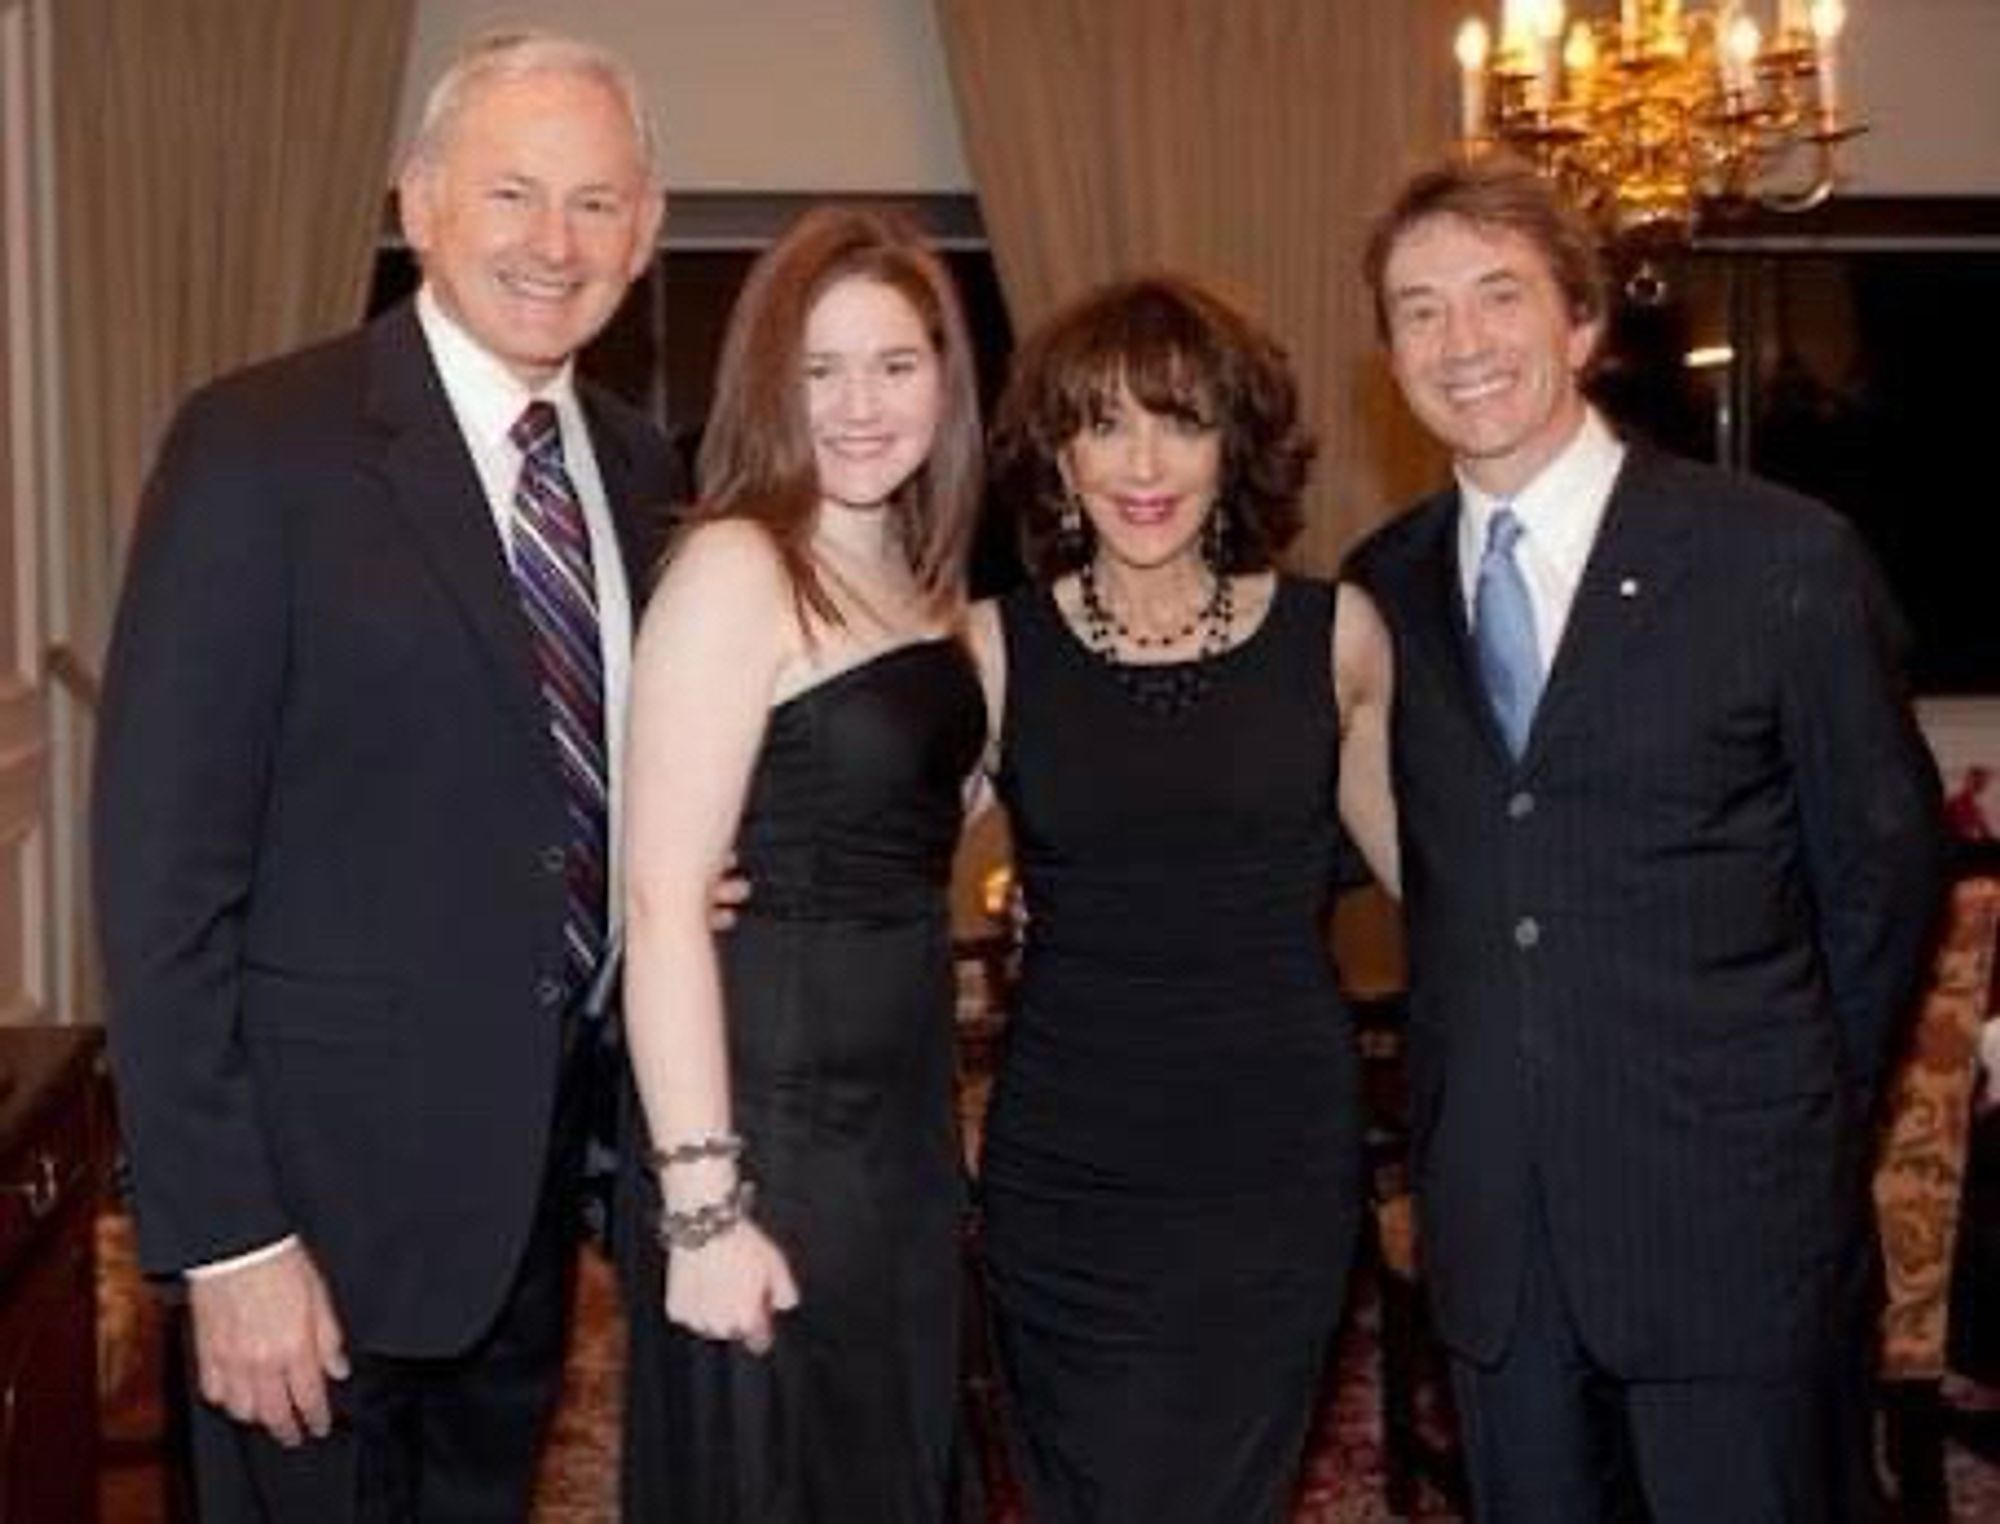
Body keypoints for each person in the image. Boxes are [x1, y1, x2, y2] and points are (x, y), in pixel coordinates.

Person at [91, 29, 676, 1521]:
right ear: (418, 203)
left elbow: (580, 784)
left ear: (647, 229)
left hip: (533, 1211)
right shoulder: (259, 447)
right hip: (310, 1239)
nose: (557, 244)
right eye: (514, 194)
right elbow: (161, 879)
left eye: (598, 203)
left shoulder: (636, 468)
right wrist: (226, 1241)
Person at [1346, 154, 1943, 1521]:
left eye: (1500, 295)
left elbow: (1884, 877)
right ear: (1388, 355)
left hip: (1731, 1214)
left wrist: (1782, 1107)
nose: (1462, 341)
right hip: (1499, 1227)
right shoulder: (1383, 590)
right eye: (1419, 309)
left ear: (1581, 320)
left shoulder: (1776, 559)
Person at [967, 273, 1398, 1521]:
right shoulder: (992, 649)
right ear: (1056, 455)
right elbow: (867, 861)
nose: (1141, 464)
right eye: (1102, 424)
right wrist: (715, 873)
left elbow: (1450, 882)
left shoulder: (1336, 638)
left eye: (1180, 420)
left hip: (1270, 1164)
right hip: (1066, 1172)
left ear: (1236, 445)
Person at [615, 205, 987, 1520]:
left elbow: (910, 811)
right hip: (770, 1118)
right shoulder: (734, 563)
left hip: (898, 1121)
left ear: (945, 378)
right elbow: (661, 906)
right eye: (818, 370)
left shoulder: (915, 571)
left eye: (894, 364)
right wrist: (705, 1211)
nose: (859, 406)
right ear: (768, 381)